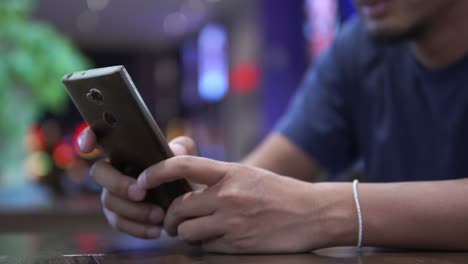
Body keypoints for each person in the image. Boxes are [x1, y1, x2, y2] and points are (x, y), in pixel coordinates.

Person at [78, 0, 468, 253]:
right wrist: (184, 191)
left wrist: (326, 212)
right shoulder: (360, 49)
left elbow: (304, 207)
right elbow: (264, 175)